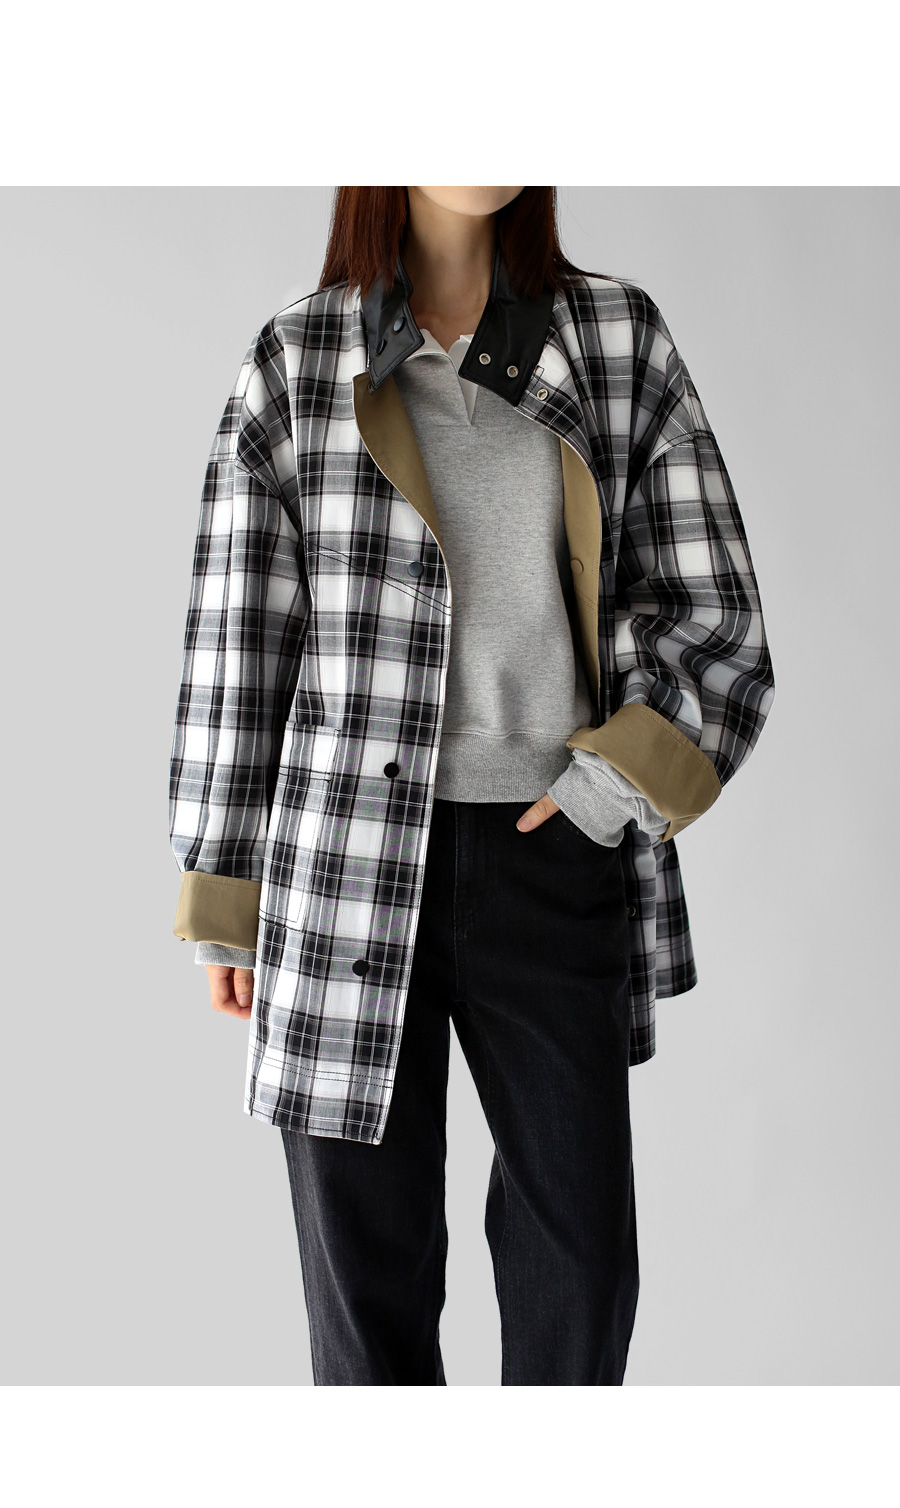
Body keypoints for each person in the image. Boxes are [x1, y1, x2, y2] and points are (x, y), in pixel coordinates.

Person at [170, 186, 773, 1386]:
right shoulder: (300, 358)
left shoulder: (614, 338)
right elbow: (242, 635)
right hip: (345, 866)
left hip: (553, 852)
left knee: (580, 1275)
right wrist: (223, 889)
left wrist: (605, 792)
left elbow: (714, 613)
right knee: (368, 1303)